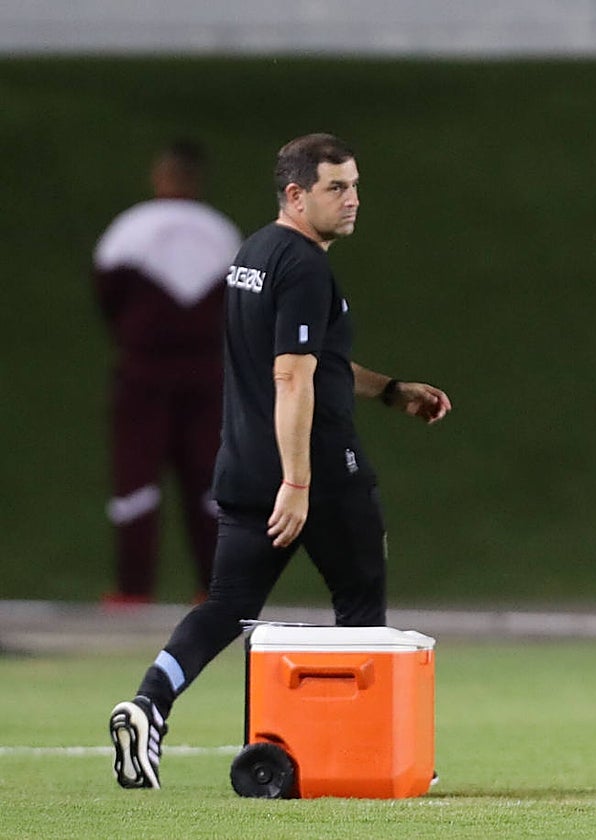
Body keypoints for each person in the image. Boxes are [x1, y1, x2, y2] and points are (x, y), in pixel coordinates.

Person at [108, 133, 453, 790]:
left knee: (227, 605)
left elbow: (312, 361)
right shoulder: (303, 267)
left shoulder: (253, 255)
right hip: (317, 472)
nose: (353, 200)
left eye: (354, 185)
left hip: (243, 465)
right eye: (336, 187)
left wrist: (388, 390)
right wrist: (299, 482)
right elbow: (292, 377)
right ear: (296, 194)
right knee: (360, 603)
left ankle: (150, 704)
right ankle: (359, 754)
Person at [93, 140, 242, 605]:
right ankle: (217, 589)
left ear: (159, 177)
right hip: (205, 371)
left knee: (136, 479)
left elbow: (108, 294)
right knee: (209, 481)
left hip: (145, 371)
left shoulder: (131, 229)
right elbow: (240, 302)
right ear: (196, 180)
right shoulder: (222, 233)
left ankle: (134, 589)